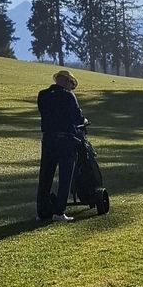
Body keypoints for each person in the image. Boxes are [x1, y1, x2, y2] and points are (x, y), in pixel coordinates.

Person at [37, 69, 87, 223]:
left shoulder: (43, 95)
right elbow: (77, 118)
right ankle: (59, 211)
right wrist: (84, 121)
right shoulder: (68, 96)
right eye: (71, 84)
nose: (71, 87)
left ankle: (42, 212)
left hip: (48, 139)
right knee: (65, 176)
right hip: (65, 140)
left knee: (45, 175)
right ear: (66, 82)